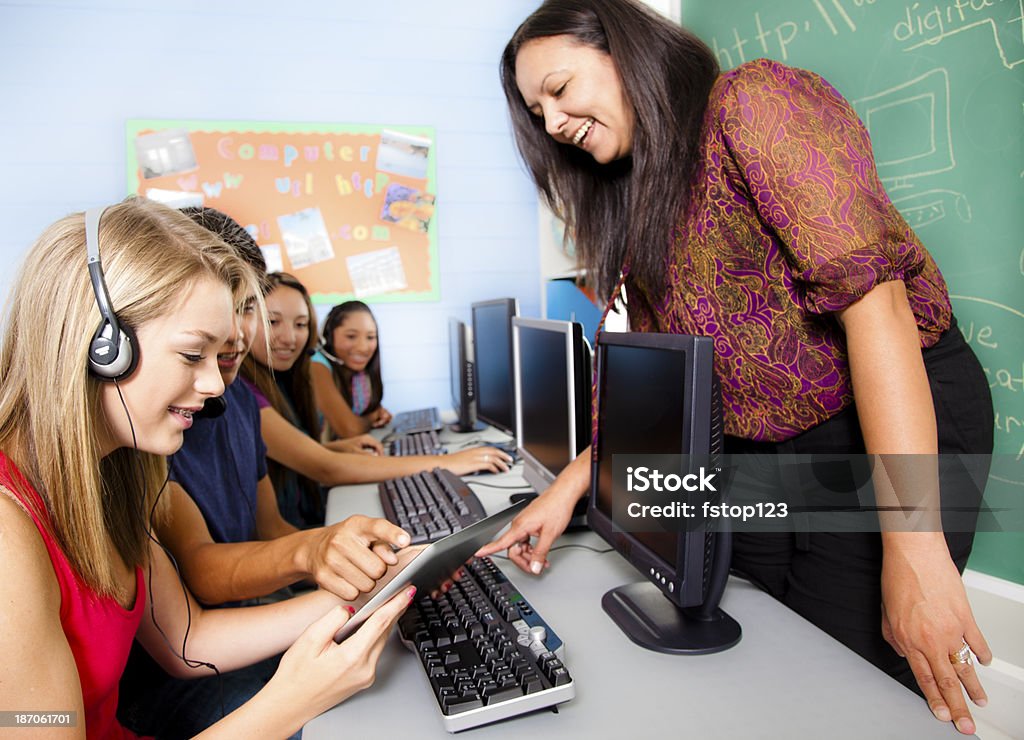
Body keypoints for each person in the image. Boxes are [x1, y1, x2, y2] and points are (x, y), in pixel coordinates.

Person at [477, 1, 995, 735]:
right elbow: (657, 391)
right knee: (765, 650)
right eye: (537, 113)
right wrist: (568, 487)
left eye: (559, 90)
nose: (553, 123)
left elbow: (877, 311)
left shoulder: (754, 103)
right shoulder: (643, 198)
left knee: (847, 678)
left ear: (628, 53)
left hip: (880, 414)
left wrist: (916, 550)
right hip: (762, 443)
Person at [0, 198, 413, 738]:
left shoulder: (109, 478)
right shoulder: (9, 533)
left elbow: (188, 643)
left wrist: (375, 593)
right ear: (102, 347)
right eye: (193, 355)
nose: (216, 385)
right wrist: (292, 701)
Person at [240, 272, 512, 528]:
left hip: (307, 514)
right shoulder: (246, 393)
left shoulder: (283, 378)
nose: (289, 338)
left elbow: (293, 453)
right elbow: (324, 468)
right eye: (272, 321)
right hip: (297, 529)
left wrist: (338, 447)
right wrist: (448, 462)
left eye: (300, 324)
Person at [310, 300, 391, 438]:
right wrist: (373, 417)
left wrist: (379, 412)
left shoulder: (360, 374)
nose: (363, 347)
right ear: (328, 337)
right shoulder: (316, 365)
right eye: (351, 336)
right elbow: (350, 430)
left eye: (370, 337)